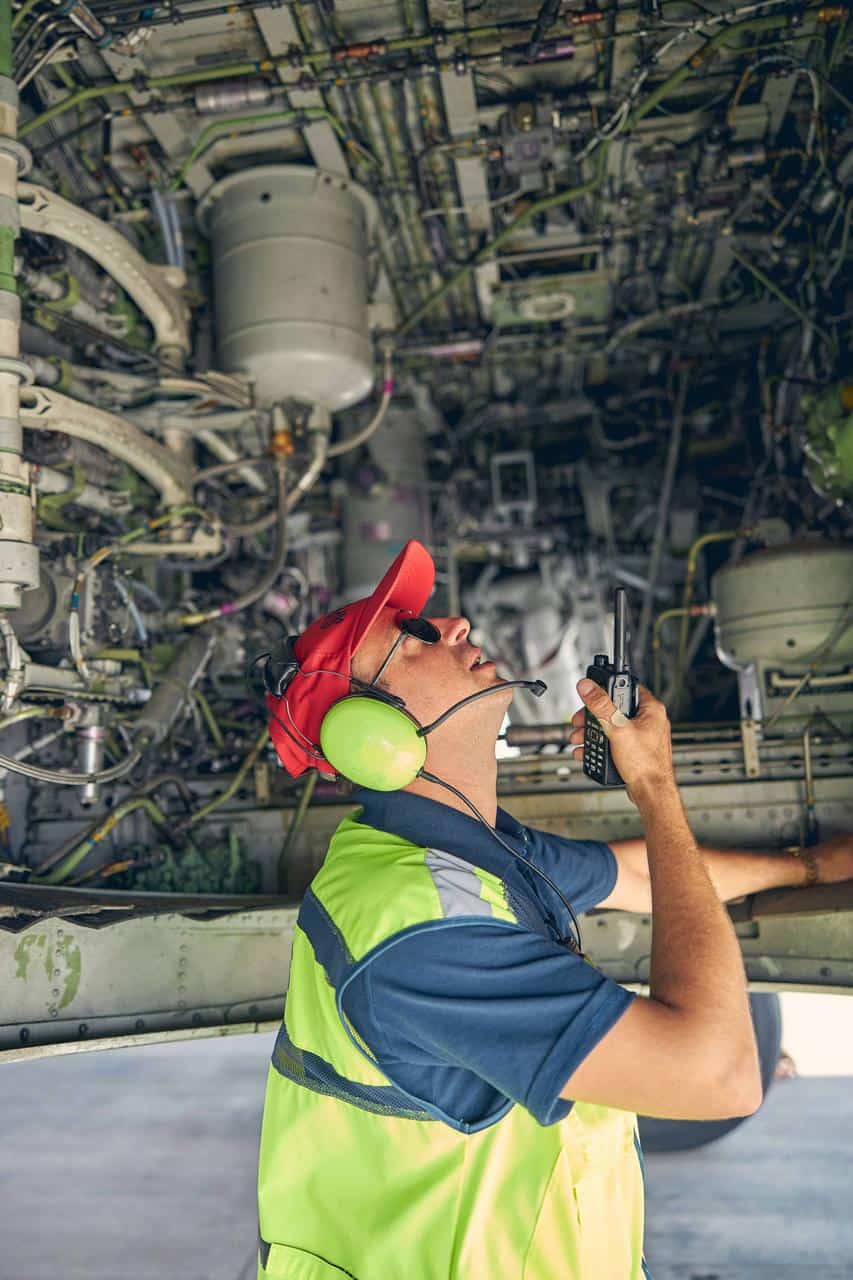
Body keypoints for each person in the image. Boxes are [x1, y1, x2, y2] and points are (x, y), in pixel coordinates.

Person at [257, 539, 853, 1280]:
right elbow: (717, 1075)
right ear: (368, 733)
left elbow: (630, 873)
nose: (454, 625)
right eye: (410, 637)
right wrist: (653, 786)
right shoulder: (418, 929)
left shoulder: (461, 851)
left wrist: (811, 866)